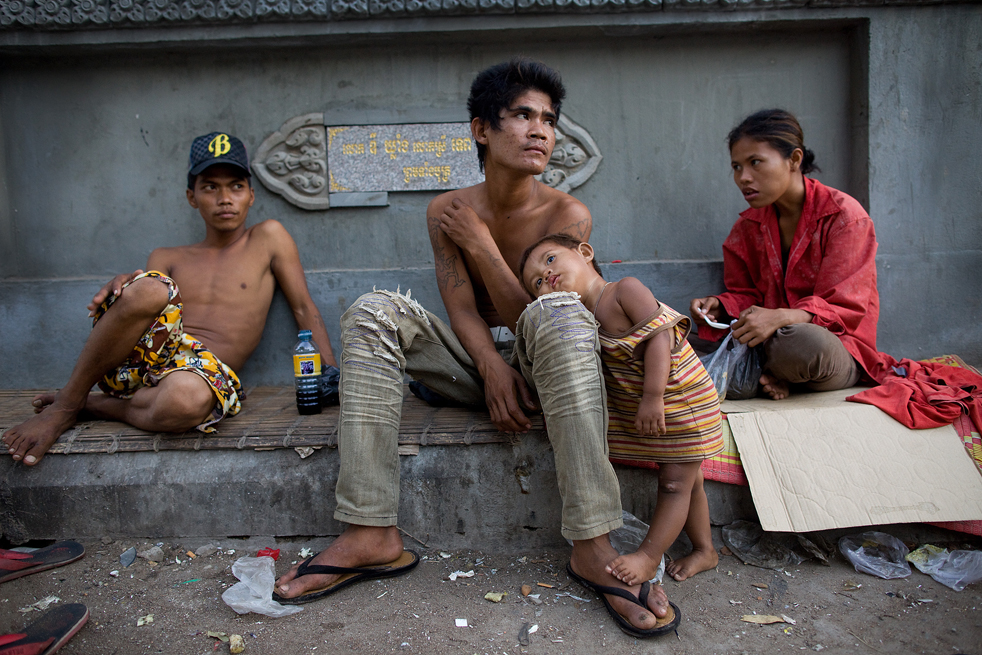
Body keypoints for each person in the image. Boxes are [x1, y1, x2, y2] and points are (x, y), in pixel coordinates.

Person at [273, 58, 675, 638]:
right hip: (476, 364)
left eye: (549, 119)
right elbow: (460, 308)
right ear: (481, 130)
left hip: (553, 365)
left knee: (560, 310)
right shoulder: (446, 211)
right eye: (522, 115)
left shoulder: (568, 214)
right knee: (371, 312)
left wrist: (483, 245)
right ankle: (370, 531)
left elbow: (537, 315)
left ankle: (592, 544)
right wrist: (489, 366)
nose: (540, 130)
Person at [2, 132, 337, 465]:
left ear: (251, 195)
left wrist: (332, 377)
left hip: (198, 375)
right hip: (147, 363)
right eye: (210, 187)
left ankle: (91, 405)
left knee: (185, 401)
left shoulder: (267, 238)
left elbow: (303, 307)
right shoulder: (168, 255)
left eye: (236, 186)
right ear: (191, 197)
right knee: (148, 286)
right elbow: (145, 319)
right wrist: (127, 287)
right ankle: (66, 404)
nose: (225, 198)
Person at [520, 234, 723, 588]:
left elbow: (661, 337)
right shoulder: (578, 319)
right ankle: (706, 549)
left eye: (550, 260)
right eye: (537, 282)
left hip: (681, 401)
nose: (546, 275)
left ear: (585, 253)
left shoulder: (624, 290)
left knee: (675, 483)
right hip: (660, 405)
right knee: (692, 482)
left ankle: (648, 556)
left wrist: (652, 396)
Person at [690, 109, 880, 401]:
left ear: (794, 160)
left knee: (800, 342)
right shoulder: (747, 227)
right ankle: (770, 377)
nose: (743, 177)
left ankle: (760, 375)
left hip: (832, 347)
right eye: (737, 167)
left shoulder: (844, 217)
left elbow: (845, 307)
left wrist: (780, 318)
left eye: (755, 162)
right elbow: (746, 294)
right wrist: (720, 306)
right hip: (766, 343)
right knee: (675, 332)